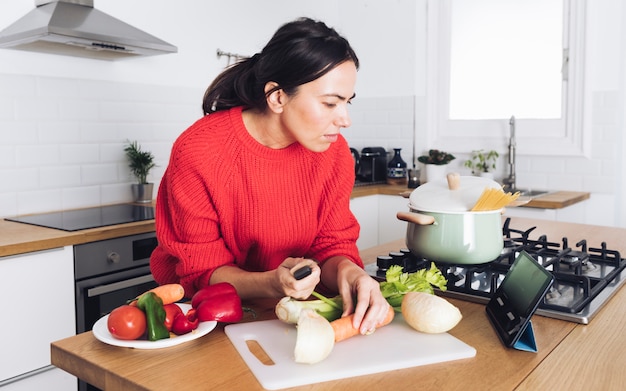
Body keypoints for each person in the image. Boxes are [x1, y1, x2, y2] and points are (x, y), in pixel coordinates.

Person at [150, 17, 389, 334]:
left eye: (347, 102)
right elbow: (202, 272)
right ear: (277, 97)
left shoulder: (335, 154)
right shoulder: (199, 151)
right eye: (331, 103)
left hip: (288, 315)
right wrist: (273, 282)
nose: (345, 119)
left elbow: (331, 247)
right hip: (207, 316)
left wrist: (350, 272)